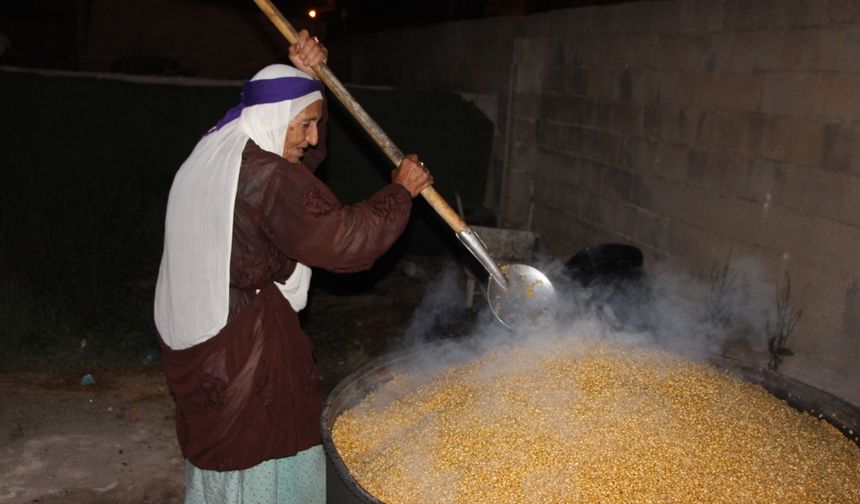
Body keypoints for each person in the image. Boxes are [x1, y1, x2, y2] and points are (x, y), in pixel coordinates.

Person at [153, 31, 432, 503]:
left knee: (226, 454)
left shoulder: (221, 147)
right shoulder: (264, 176)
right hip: (243, 348)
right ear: (274, 118)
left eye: (316, 124)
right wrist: (400, 193)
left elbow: (293, 175)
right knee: (267, 442)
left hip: (199, 339)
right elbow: (342, 240)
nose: (314, 137)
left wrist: (307, 78)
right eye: (304, 124)